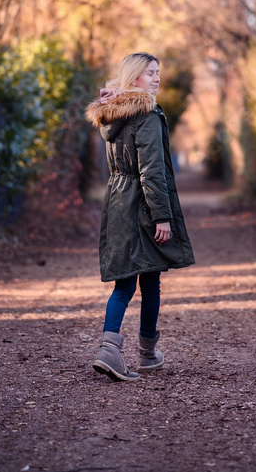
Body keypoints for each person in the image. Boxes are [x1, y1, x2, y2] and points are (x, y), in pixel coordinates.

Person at [84, 52, 195, 381]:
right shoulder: (146, 115)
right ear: (134, 79)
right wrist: (162, 216)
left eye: (158, 72)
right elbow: (151, 171)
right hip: (142, 204)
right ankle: (124, 352)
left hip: (118, 200)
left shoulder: (113, 114)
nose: (157, 78)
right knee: (146, 282)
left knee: (134, 278)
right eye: (150, 73)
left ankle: (134, 352)